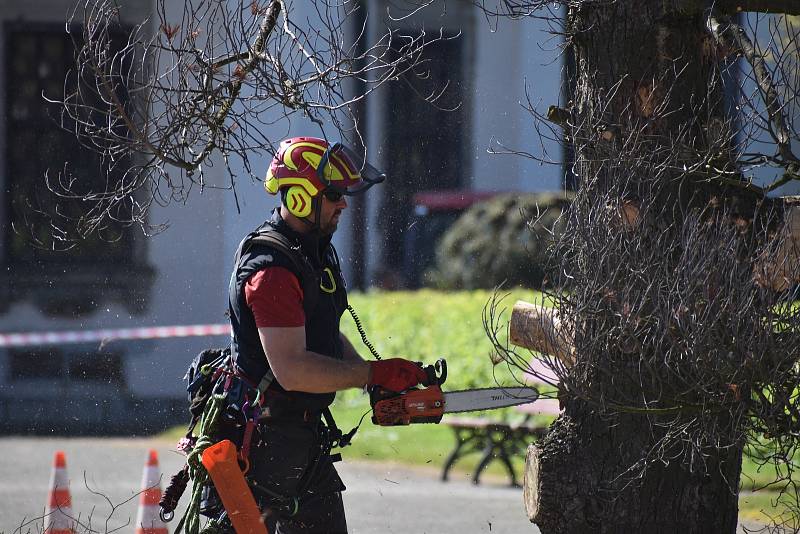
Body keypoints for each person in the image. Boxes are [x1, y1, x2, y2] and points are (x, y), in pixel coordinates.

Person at [224, 136, 428, 533]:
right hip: (264, 448)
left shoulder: (311, 252)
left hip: (301, 440)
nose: (344, 204)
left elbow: (324, 337)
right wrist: (368, 374)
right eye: (333, 194)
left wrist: (382, 379)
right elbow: (293, 369)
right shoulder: (272, 272)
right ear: (300, 197)